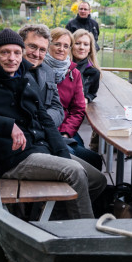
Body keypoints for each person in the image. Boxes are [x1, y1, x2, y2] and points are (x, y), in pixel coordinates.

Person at [0, 28, 106, 219]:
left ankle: (51, 217)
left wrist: (62, 153)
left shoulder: (23, 79)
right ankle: (84, 233)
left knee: (97, 180)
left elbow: (46, 121)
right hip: (13, 159)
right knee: (74, 172)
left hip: (39, 148)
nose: (12, 58)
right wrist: (6, 125)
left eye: (16, 52)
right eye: (5, 52)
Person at [46, 27, 102, 170]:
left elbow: (78, 109)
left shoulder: (73, 73)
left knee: (94, 160)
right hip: (45, 130)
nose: (61, 49)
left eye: (65, 46)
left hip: (65, 128)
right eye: (57, 44)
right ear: (48, 45)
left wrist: (66, 132)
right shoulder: (38, 68)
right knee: (72, 158)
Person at [18, 23, 64, 128]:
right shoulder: (10, 71)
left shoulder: (48, 71)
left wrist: (42, 122)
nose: (37, 54)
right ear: (20, 45)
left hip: (45, 131)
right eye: (32, 46)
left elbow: (58, 109)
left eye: (42, 50)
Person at [71, 29, 101, 103]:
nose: (82, 47)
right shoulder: (62, 66)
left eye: (86, 44)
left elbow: (92, 93)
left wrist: (87, 99)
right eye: (77, 43)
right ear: (71, 45)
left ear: (90, 49)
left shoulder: (94, 72)